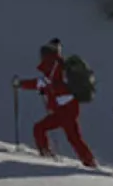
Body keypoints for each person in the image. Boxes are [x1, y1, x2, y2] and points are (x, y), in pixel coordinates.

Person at [14, 38, 97, 168]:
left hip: (65, 110)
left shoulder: (55, 67)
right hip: (67, 109)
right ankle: (89, 161)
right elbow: (45, 83)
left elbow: (44, 83)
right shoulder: (58, 67)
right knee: (69, 136)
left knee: (46, 130)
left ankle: (48, 154)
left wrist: (21, 84)